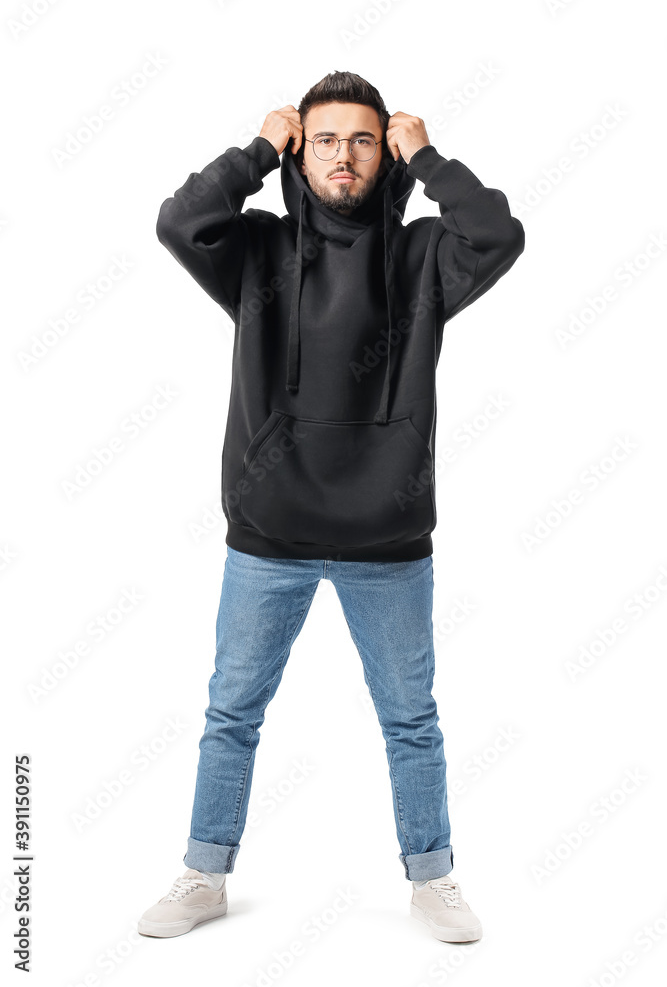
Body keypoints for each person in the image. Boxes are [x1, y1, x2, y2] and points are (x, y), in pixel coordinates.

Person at [138, 70, 525, 943]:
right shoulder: (257, 253)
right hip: (267, 533)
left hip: (387, 538)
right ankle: (204, 872)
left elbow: (497, 232)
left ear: (383, 152)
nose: (342, 154)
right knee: (232, 712)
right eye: (322, 139)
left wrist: (427, 154)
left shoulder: (424, 256)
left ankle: (432, 879)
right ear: (298, 151)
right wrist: (252, 149)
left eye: (361, 138)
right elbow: (178, 221)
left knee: (410, 719)